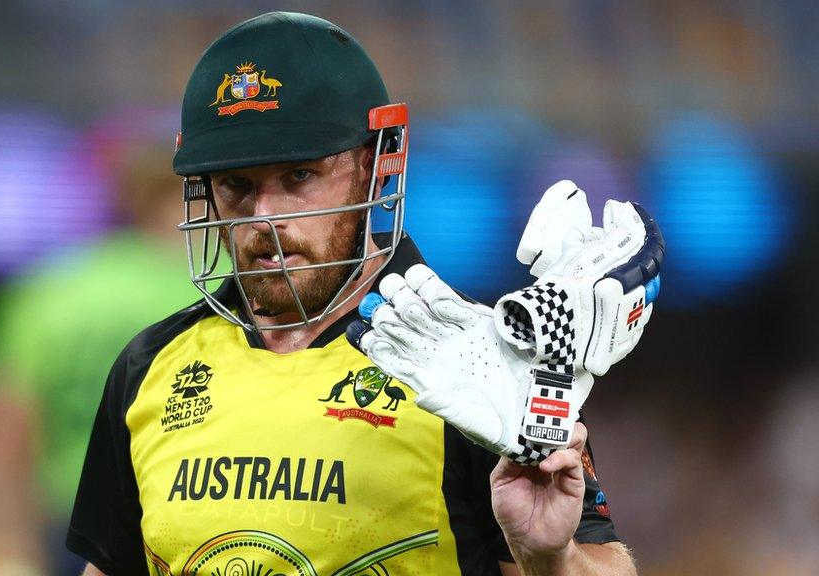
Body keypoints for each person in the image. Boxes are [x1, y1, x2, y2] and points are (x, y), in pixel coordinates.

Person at [67, 12, 638, 576]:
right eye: (236, 185)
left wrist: (549, 556)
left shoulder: (477, 363)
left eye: (299, 177)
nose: (263, 217)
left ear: (375, 162)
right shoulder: (148, 368)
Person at [0, 136, 203, 576]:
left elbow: (0, 440)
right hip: (176, 517)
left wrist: (6, 548)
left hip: (65, 526)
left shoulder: (40, 290)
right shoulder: (209, 288)